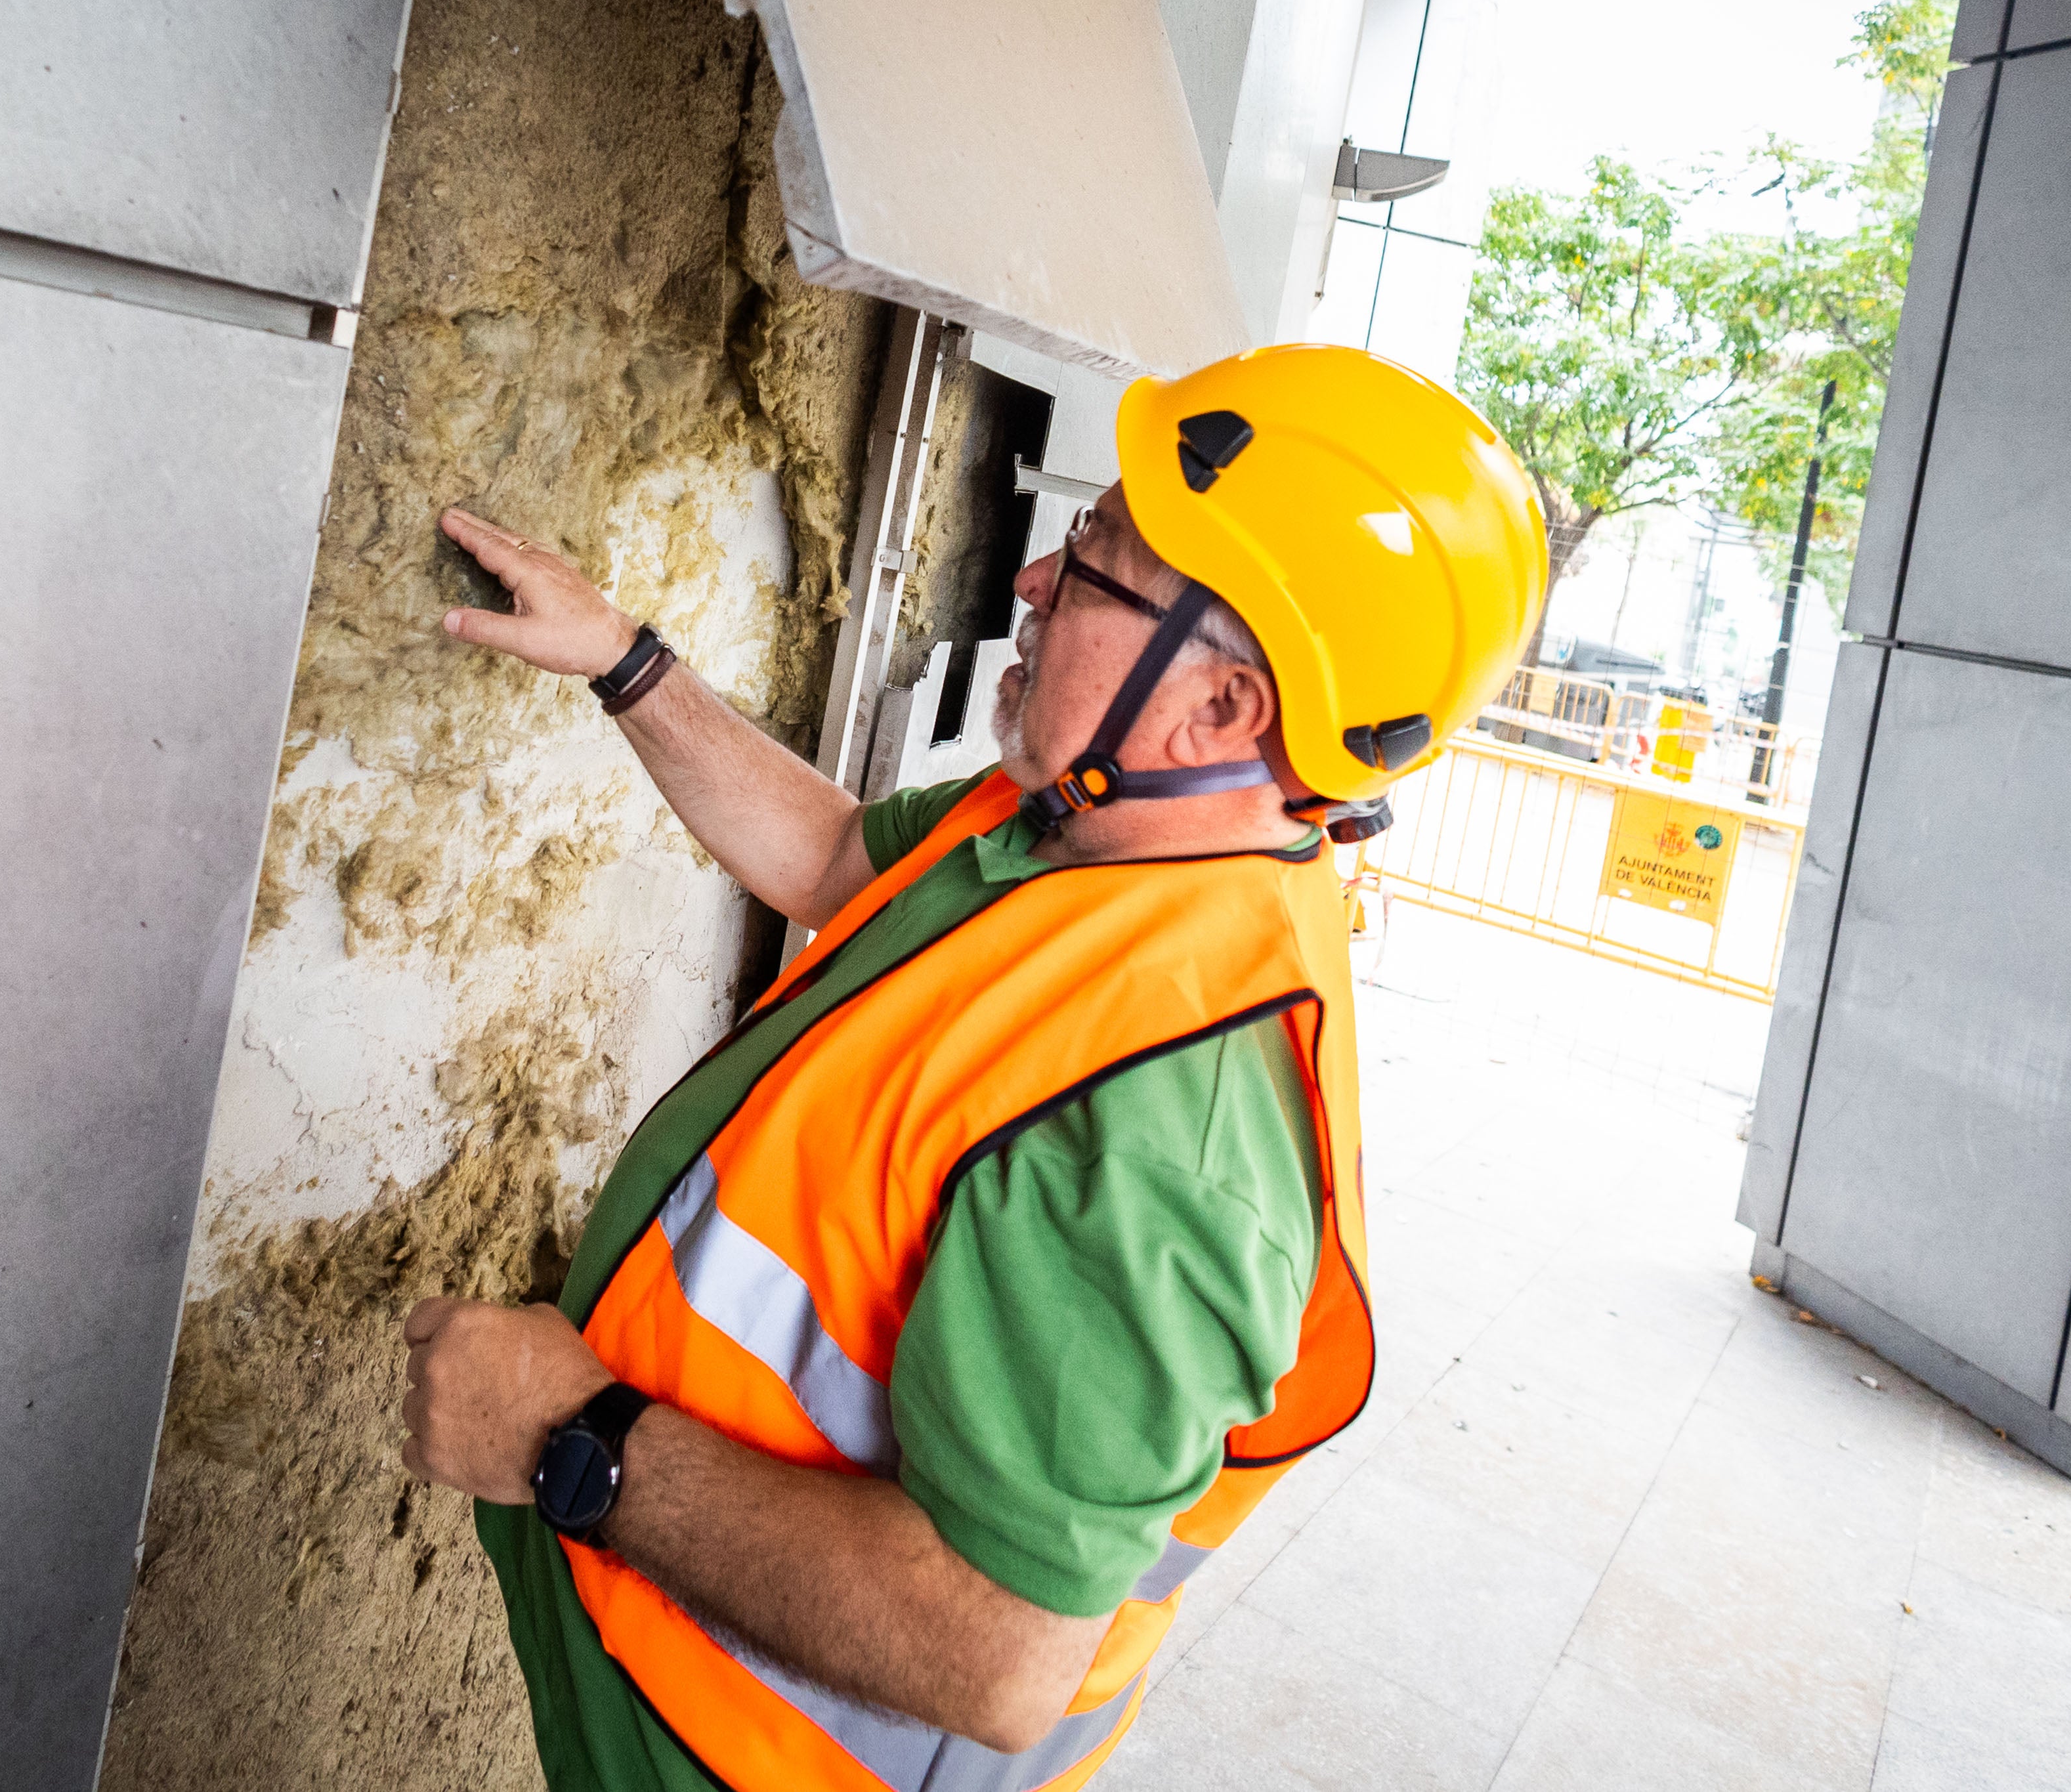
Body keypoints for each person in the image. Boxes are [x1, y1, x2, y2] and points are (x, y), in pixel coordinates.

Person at [398, 343, 1548, 1792]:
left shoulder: (1157, 1132)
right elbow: (829, 857)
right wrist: (628, 662)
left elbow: (993, 1655)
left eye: (1098, 562)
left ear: (1221, 715)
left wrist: (578, 1438)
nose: (1031, 585)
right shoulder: (1070, 835)